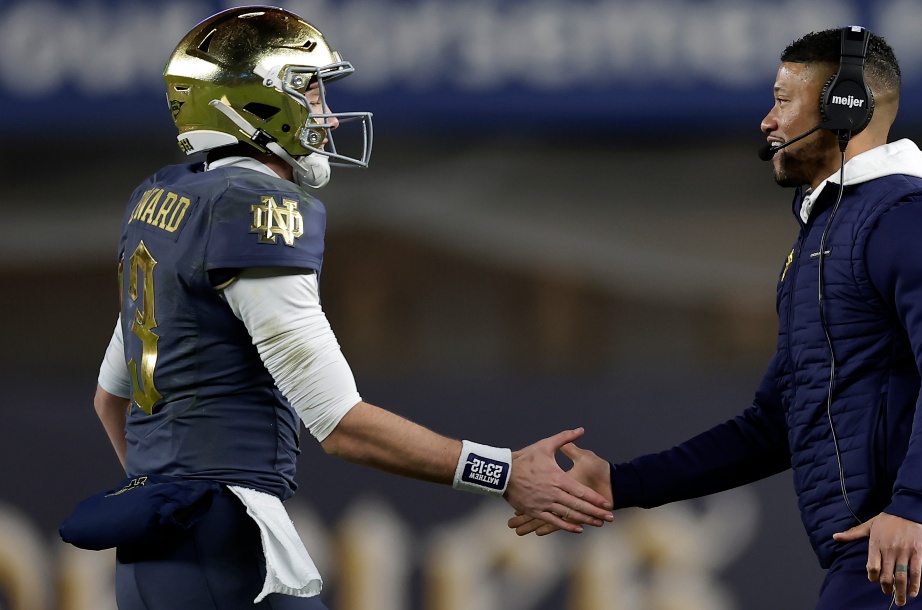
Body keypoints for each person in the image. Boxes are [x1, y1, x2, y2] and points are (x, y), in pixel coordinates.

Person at [65, 6, 613, 609]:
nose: (326, 116)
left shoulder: (166, 200)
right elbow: (341, 425)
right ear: (256, 104)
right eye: (313, 93)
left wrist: (160, 490)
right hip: (217, 541)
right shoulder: (254, 209)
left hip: (158, 549)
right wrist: (504, 472)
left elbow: (110, 398)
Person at [509, 26, 922, 609]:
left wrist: (915, 503)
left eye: (781, 100)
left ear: (843, 105)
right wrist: (622, 483)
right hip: (883, 540)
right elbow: (773, 425)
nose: (767, 122)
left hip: (919, 541)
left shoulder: (915, 218)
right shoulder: (827, 237)